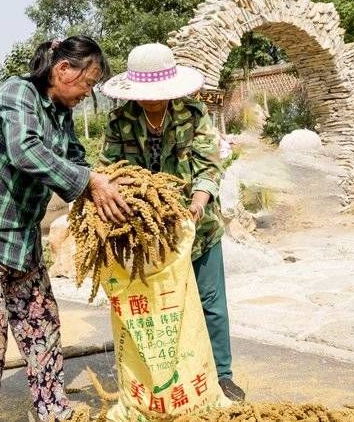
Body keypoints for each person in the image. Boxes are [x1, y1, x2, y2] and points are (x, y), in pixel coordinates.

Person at [0, 36, 131, 422]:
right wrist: (89, 182)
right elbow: (24, 151)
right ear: (62, 70)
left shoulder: (61, 113)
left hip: (21, 242)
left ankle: (53, 412)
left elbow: (75, 159)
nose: (88, 93)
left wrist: (112, 180)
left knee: (42, 328)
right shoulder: (17, 93)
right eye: (88, 82)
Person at [98, 42, 246, 402]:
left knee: (210, 301)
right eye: (145, 95)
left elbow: (208, 165)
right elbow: (109, 171)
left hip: (198, 229)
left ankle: (222, 375)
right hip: (147, 233)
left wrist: (197, 202)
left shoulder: (193, 115)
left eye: (158, 94)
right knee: (159, 304)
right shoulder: (119, 122)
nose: (153, 101)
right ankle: (165, 375)